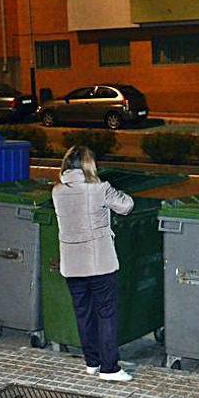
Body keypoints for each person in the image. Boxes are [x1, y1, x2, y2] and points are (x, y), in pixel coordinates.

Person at [52, 145, 134, 382]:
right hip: (99, 263)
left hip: (72, 264)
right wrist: (106, 187)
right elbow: (126, 206)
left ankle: (92, 362)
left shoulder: (57, 191)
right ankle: (110, 369)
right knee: (106, 314)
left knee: (83, 313)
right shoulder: (100, 189)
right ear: (90, 165)